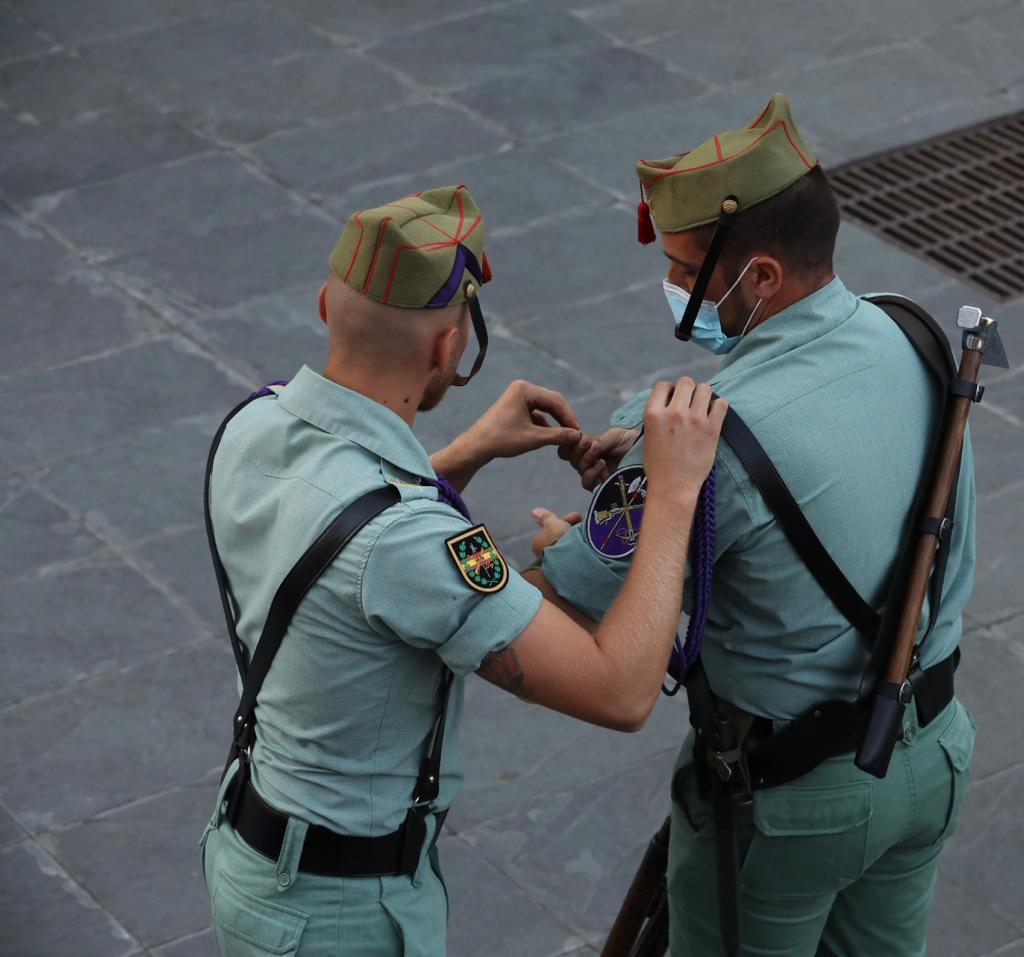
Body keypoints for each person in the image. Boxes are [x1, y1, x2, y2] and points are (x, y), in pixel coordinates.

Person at [199, 183, 727, 956]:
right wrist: (675, 493)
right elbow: (619, 690)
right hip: (341, 915)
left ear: (323, 305)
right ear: (448, 347)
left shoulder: (254, 420)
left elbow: (347, 524)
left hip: (255, 855)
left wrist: (465, 452)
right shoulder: (412, 546)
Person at [533, 94, 977, 956]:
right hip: (932, 754)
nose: (671, 287)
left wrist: (559, 542)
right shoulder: (914, 335)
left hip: (791, 804)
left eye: (682, 266)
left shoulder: (702, 430)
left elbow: (572, 601)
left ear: (762, 275)